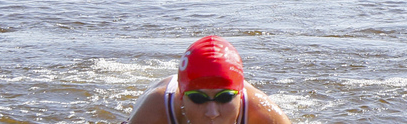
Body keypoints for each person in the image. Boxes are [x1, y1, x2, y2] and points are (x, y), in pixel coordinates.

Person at [125, 36, 291, 124]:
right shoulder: (154, 112)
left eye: (224, 97)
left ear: (240, 95)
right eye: (198, 98)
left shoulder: (265, 117)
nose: (212, 113)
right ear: (182, 97)